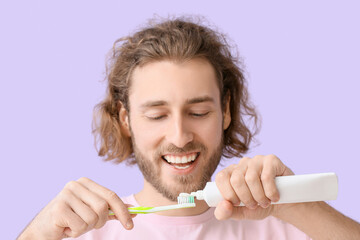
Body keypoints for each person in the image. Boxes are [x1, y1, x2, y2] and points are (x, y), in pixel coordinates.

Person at [18, 16, 360, 240]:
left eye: (198, 112)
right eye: (157, 115)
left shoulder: (285, 227)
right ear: (125, 120)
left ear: (225, 112)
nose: (180, 136)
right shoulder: (79, 233)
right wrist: (35, 235)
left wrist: (293, 206)